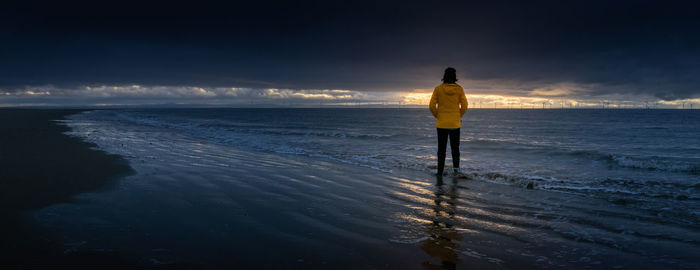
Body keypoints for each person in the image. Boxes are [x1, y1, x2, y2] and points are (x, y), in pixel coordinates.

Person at [429, 67, 468, 176]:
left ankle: (440, 172)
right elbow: (465, 105)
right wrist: (458, 115)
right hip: (455, 123)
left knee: (441, 149)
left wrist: (438, 116)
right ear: (455, 77)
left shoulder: (438, 89)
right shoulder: (459, 89)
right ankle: (456, 171)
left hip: (441, 124)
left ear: (444, 77)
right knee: (455, 149)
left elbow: (431, 106)